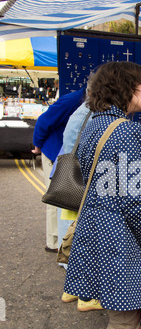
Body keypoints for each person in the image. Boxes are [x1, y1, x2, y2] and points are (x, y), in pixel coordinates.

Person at [63, 62, 141, 329]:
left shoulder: (93, 125)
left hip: (93, 229)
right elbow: (132, 199)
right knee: (124, 323)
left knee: (119, 316)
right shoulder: (129, 131)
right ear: (126, 88)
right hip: (118, 235)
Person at [32, 87, 86, 252]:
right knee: (55, 196)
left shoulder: (82, 99)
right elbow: (43, 121)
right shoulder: (72, 100)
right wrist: (37, 146)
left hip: (64, 153)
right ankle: (54, 242)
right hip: (54, 152)